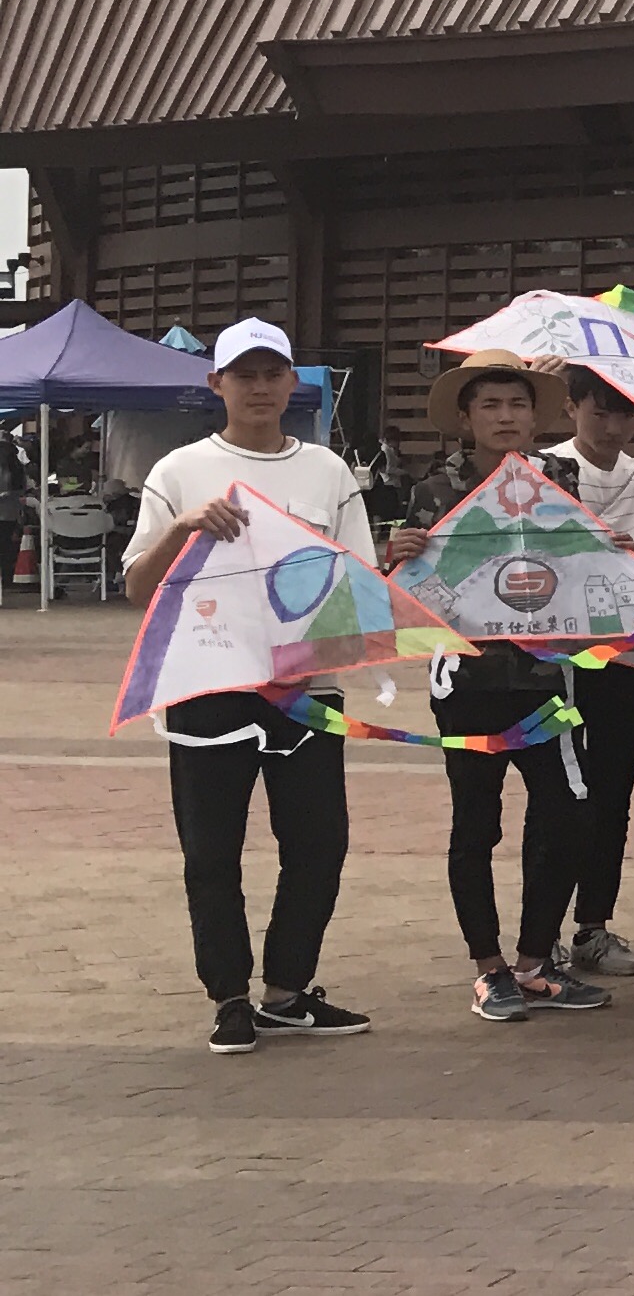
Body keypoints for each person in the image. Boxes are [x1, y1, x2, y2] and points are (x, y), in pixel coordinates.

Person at [123, 318, 376, 1053]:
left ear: (293, 382)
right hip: (206, 686)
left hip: (305, 689)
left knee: (319, 844)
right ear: (217, 383)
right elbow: (137, 587)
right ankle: (229, 996)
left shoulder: (328, 472)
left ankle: (288, 990)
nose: (260, 387)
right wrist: (185, 528)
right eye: (244, 374)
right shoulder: (180, 471)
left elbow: (358, 582)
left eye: (272, 373)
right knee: (211, 851)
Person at [402, 349, 607, 1023]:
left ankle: (535, 961)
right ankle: (489, 968)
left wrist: (608, 553)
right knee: (476, 825)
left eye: (518, 403)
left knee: (568, 815)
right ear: (465, 418)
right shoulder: (435, 489)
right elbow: (416, 588)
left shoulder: (559, 476)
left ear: (535, 416)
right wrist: (399, 556)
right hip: (467, 681)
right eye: (489, 404)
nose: (505, 416)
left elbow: (578, 561)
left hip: (547, 679)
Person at [537, 364, 634, 982]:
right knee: (559, 797)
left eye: (625, 415)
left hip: (628, 657)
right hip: (557, 660)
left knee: (613, 792)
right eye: (599, 412)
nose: (613, 427)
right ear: (570, 408)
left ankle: (592, 925)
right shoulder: (544, 470)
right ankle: (541, 933)